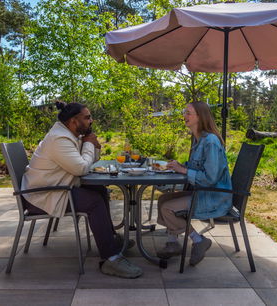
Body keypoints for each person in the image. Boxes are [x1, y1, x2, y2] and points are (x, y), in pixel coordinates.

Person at [21, 101, 142, 279]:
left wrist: (92, 145)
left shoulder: (69, 135)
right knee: (93, 202)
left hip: (55, 188)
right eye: (87, 117)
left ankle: (110, 239)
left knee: (99, 189)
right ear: (73, 121)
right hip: (41, 196)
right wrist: (88, 145)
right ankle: (110, 258)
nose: (91, 120)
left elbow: (90, 163)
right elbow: (81, 169)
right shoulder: (59, 139)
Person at [156, 101, 232, 266]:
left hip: (213, 197)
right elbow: (198, 167)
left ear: (200, 117)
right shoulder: (199, 140)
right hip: (203, 192)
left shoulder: (210, 141)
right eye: (185, 112)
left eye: (188, 113)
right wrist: (181, 166)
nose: (184, 115)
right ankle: (172, 243)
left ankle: (198, 241)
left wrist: (183, 171)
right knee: (163, 200)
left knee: (167, 208)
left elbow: (210, 178)